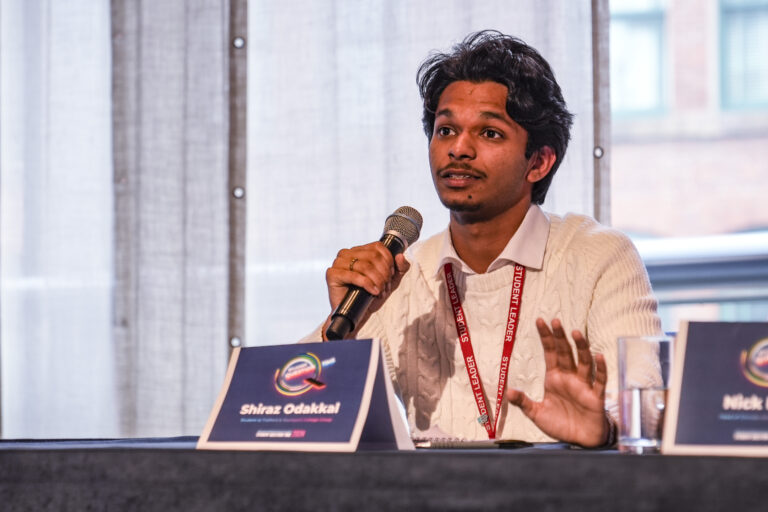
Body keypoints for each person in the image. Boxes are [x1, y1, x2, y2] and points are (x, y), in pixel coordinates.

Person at [310, 30, 661, 447]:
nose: (458, 148)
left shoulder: (598, 256)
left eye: (489, 133)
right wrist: (342, 326)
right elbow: (292, 407)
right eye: (445, 130)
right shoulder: (401, 274)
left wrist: (604, 427)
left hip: (563, 482)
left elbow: (645, 407)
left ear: (539, 162)